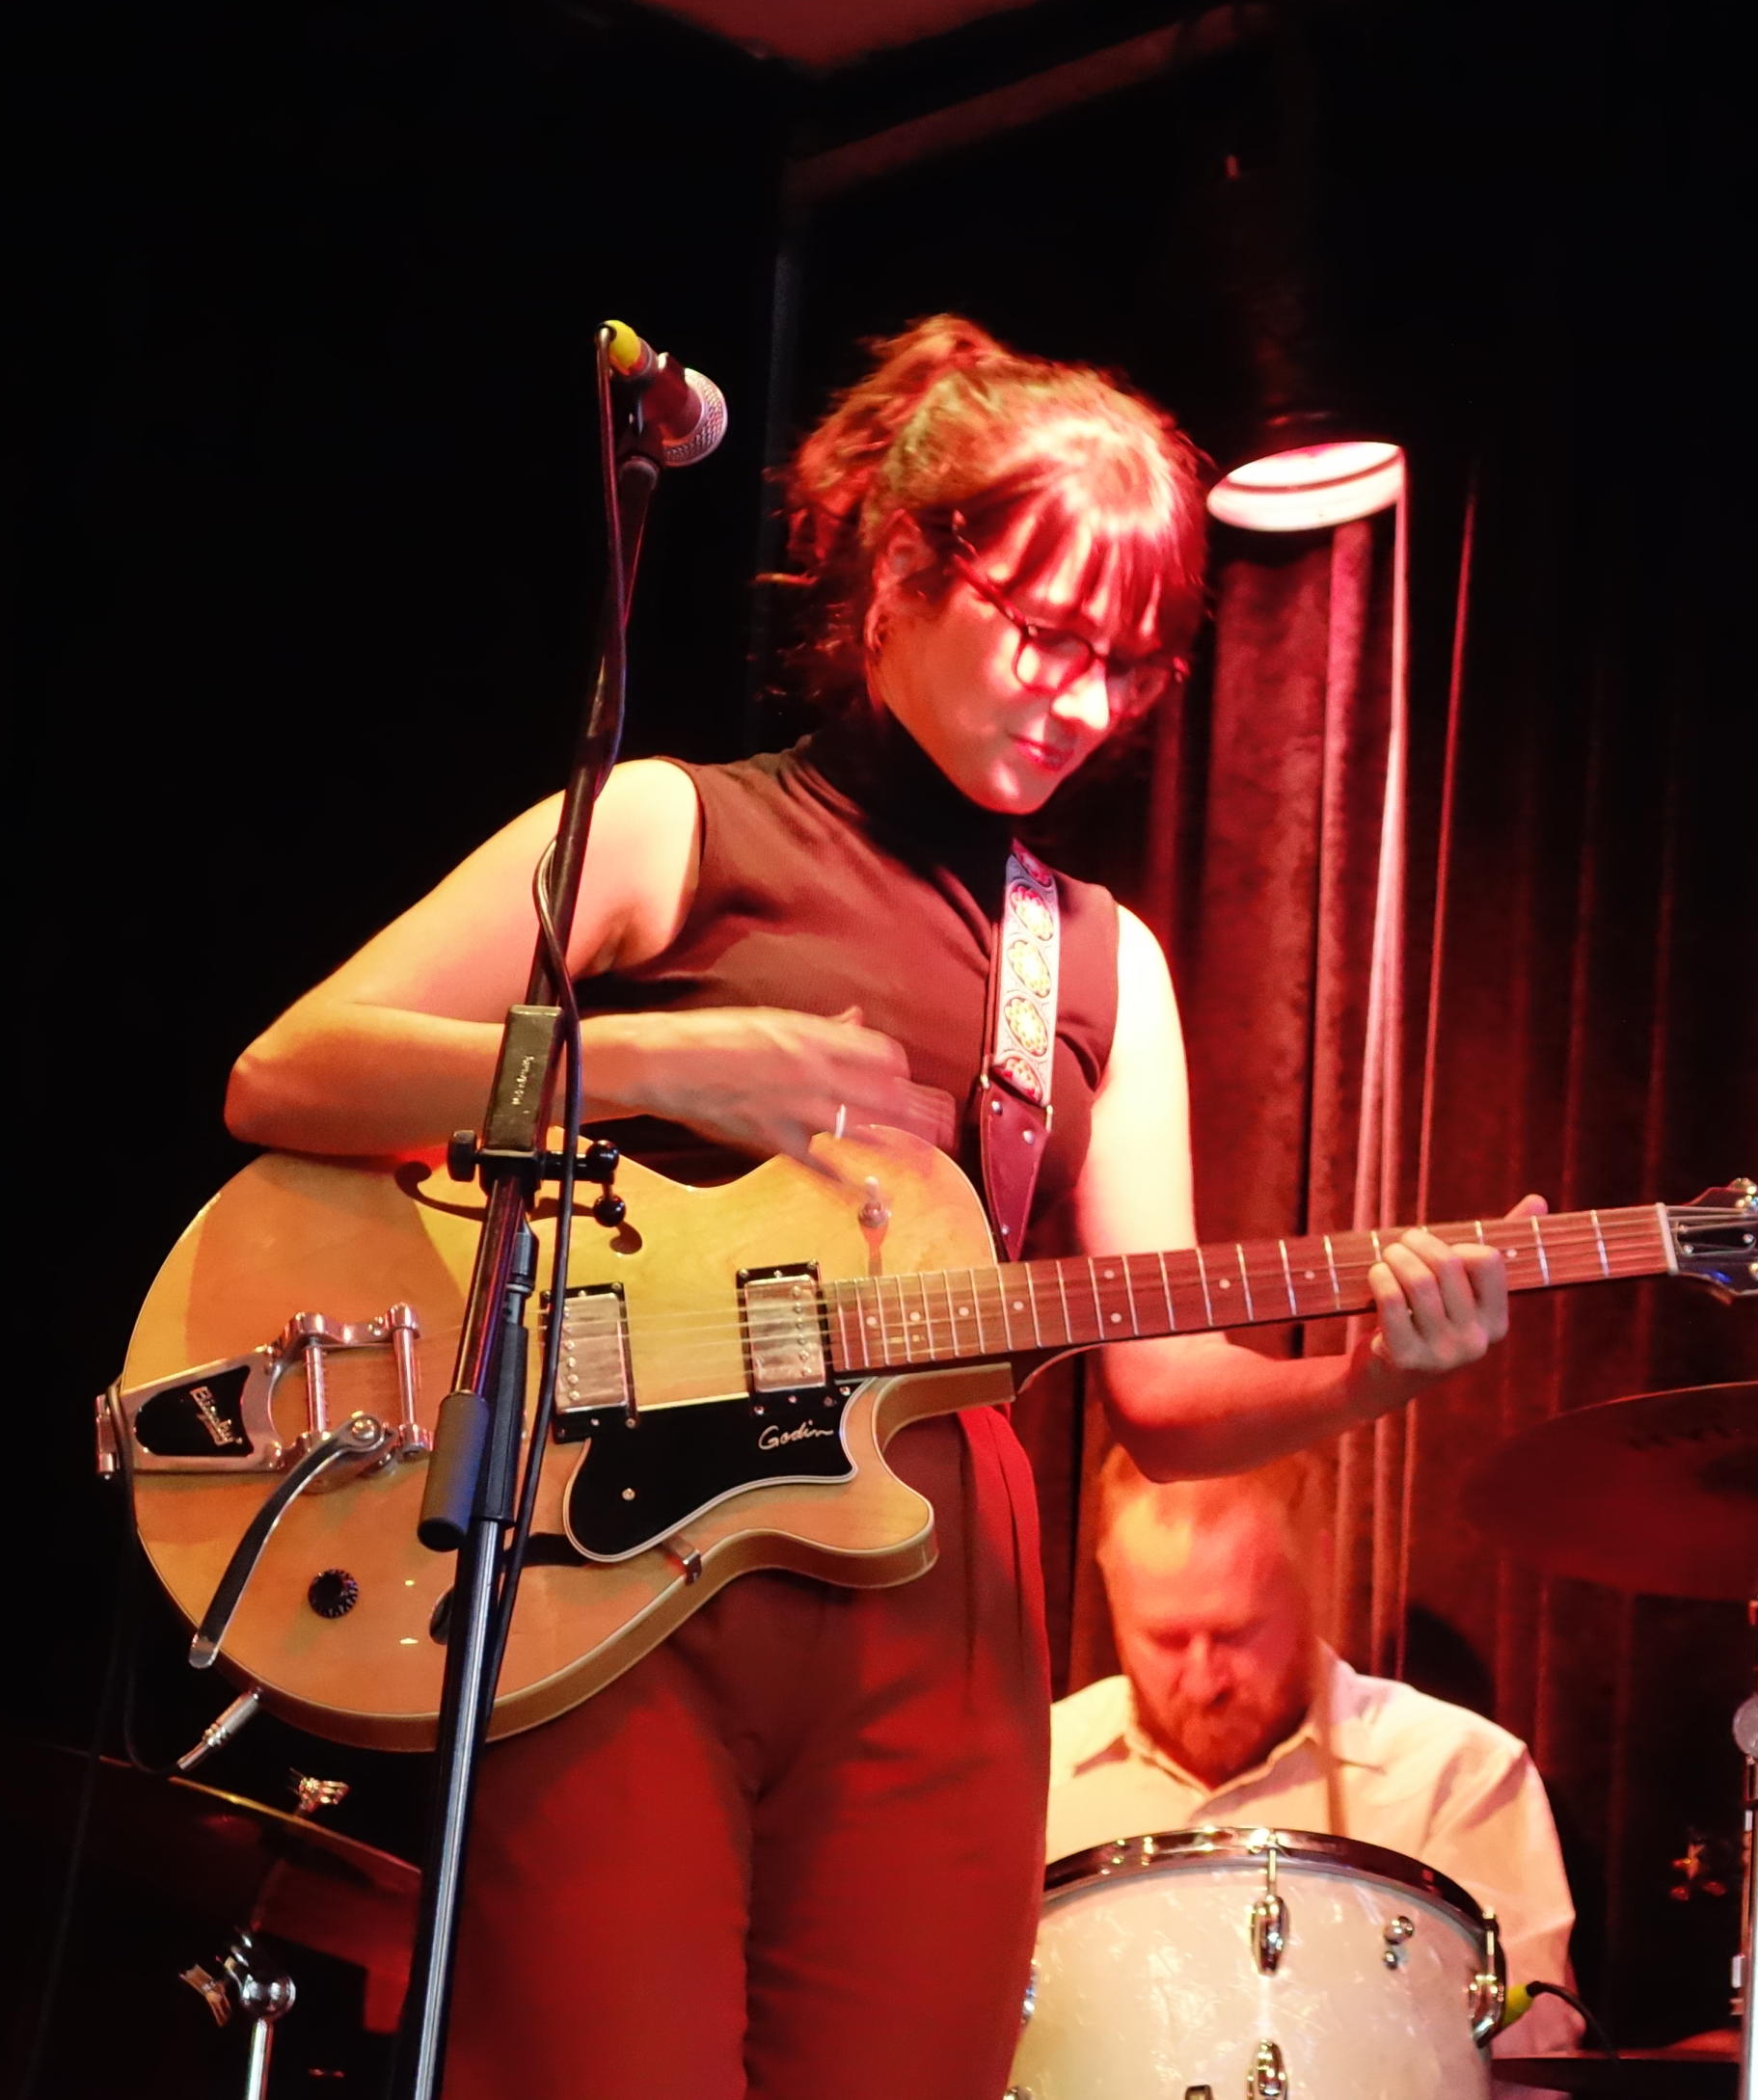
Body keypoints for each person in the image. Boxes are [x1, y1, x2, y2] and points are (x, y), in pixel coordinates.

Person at [226, 314, 1540, 2100]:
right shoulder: (674, 830)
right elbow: (289, 1072)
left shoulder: (1103, 962)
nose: (1083, 702)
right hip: (622, 1574)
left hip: (938, 1603)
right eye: (1046, 634)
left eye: (1128, 665)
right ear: (908, 570)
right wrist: (654, 1062)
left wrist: (1369, 1376)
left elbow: (1160, 1393)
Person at [1045, 1446, 1584, 2057]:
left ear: (1317, 1573)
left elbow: (1528, 2051)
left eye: (1237, 1634)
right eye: (1164, 1640)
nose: (1202, 1682)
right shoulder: (1035, 1773)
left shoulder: (1456, 1773)